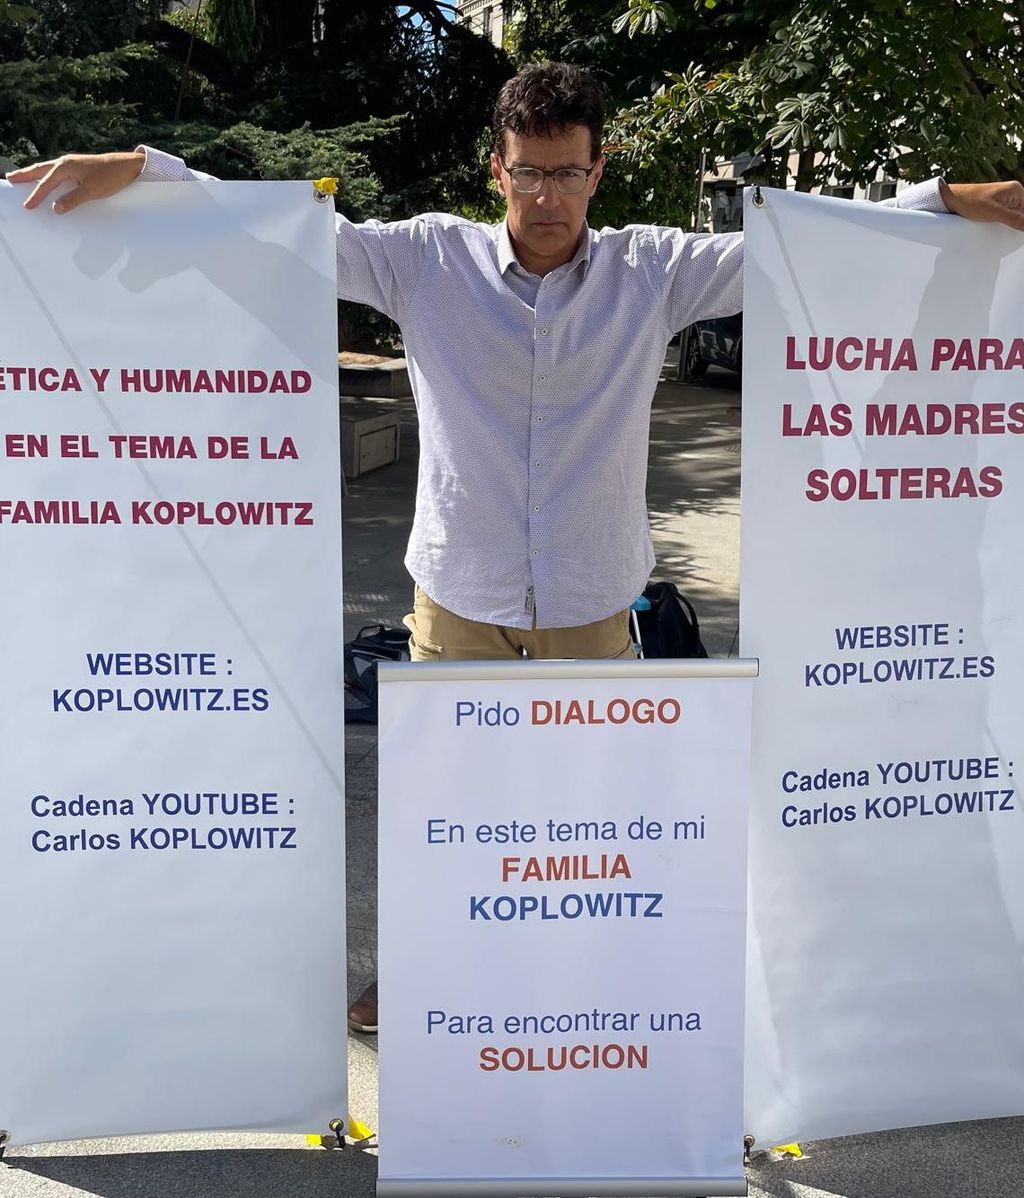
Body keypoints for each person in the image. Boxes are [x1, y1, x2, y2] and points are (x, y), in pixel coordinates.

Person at [10, 63, 1024, 1035]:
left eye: (568, 171)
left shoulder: (652, 272)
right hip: (459, 596)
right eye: (529, 171)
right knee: (443, 800)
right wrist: (147, 170)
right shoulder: (424, 259)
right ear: (496, 168)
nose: (549, 197)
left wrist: (949, 198)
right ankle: (417, 965)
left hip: (592, 602)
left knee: (590, 804)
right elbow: (278, 230)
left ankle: (585, 990)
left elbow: (808, 243)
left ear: (599, 167)